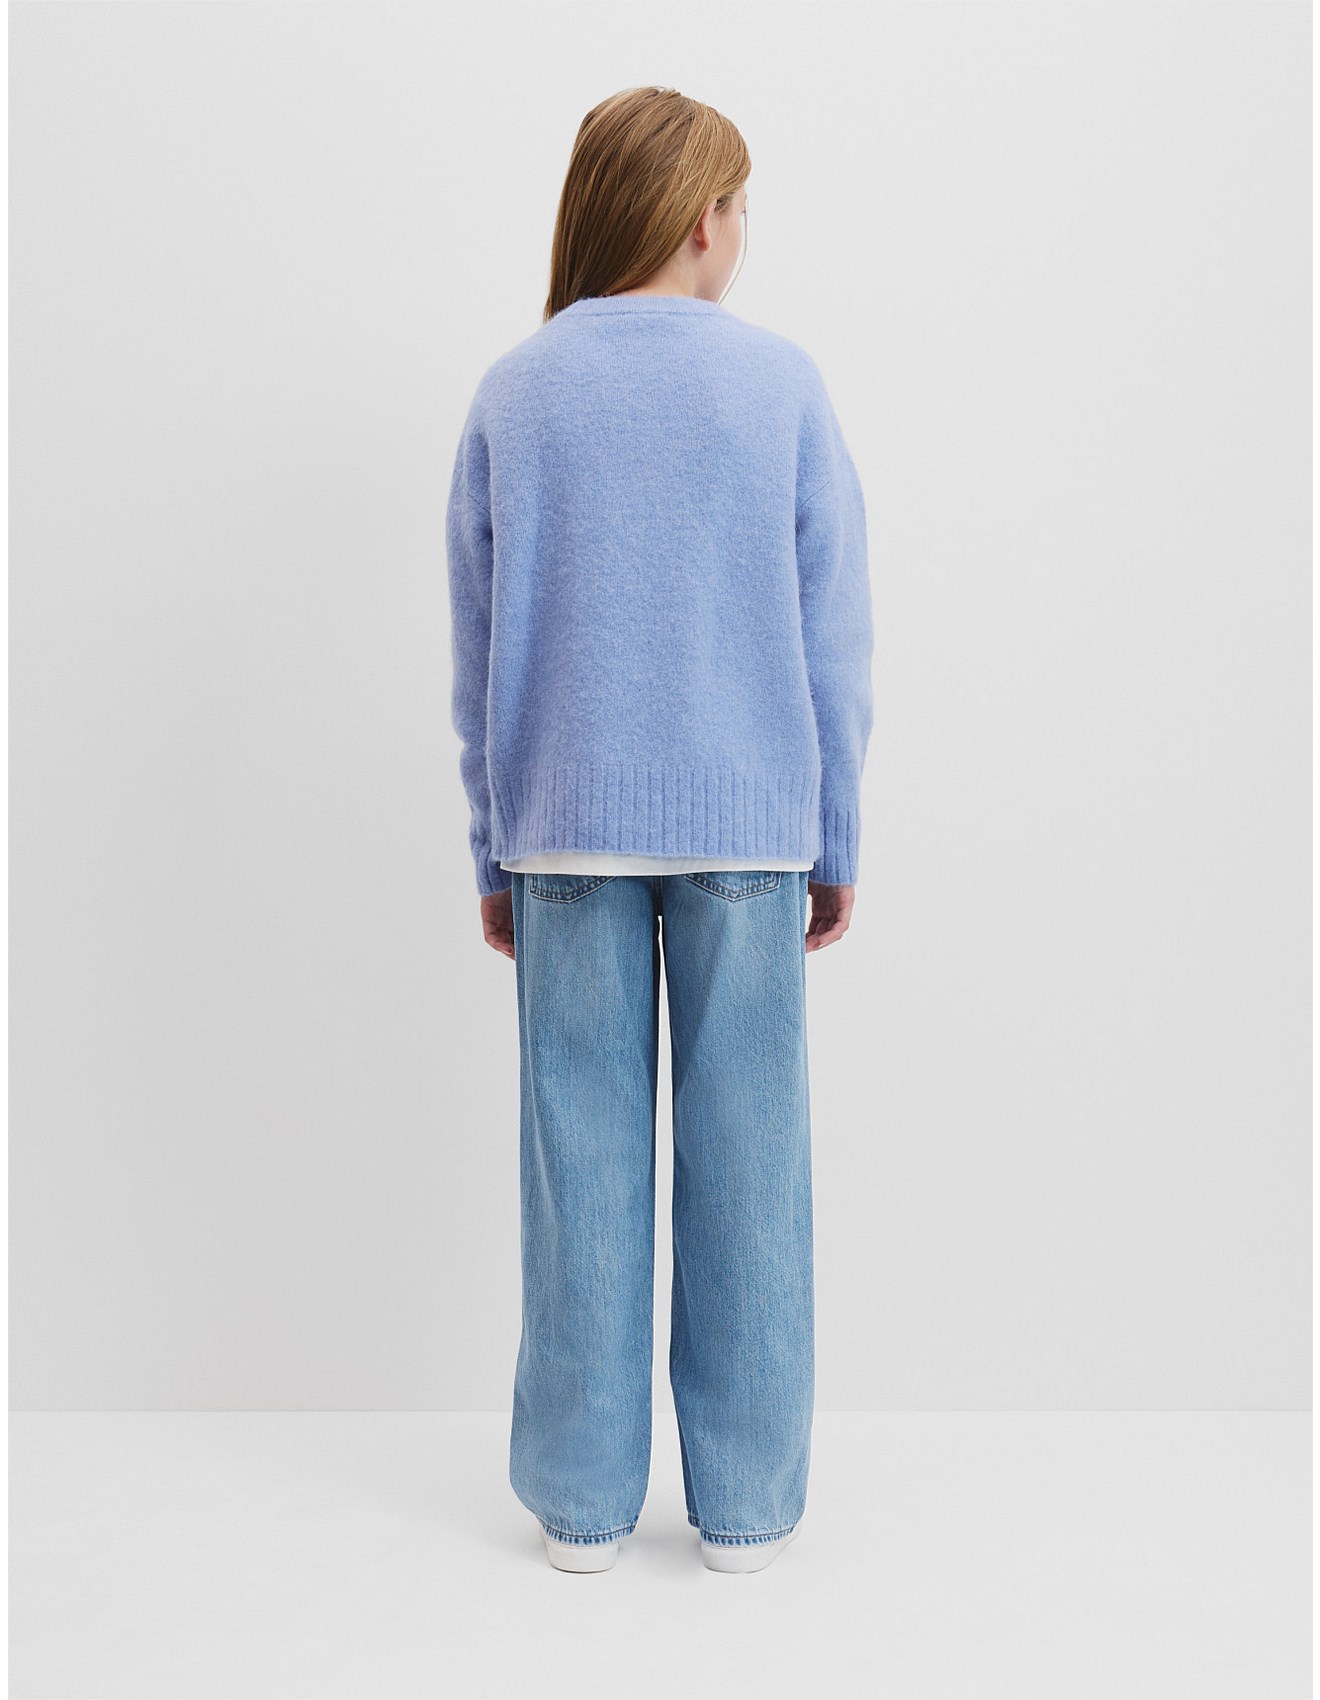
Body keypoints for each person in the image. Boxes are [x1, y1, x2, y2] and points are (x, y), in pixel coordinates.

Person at [445, 85, 874, 1575]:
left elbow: (480, 644)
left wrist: (494, 840)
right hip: (750, 830)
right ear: (704, 216)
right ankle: (747, 1511)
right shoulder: (780, 386)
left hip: (562, 836)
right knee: (751, 1163)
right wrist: (835, 833)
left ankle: (580, 1509)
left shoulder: (516, 392)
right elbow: (833, 634)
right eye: (741, 207)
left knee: (578, 1164)